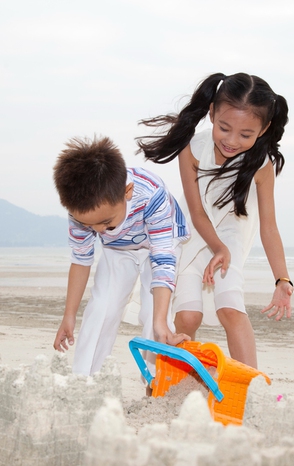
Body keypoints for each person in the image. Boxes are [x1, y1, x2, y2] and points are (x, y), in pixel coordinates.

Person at [137, 72, 294, 369]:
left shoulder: (261, 166)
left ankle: (250, 384)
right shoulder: (192, 149)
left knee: (230, 308)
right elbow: (196, 213)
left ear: (263, 130)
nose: (232, 141)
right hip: (192, 238)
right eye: (224, 128)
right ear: (211, 113)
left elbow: (269, 227)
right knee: (188, 317)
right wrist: (216, 247)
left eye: (245, 134)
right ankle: (173, 379)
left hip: (231, 241)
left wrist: (282, 279)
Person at [52, 135, 190, 376]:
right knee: (101, 307)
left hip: (159, 243)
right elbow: (81, 260)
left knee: (155, 315)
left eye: (105, 221)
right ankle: (84, 381)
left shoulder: (151, 194)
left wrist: (159, 321)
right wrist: (69, 315)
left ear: (127, 192)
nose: (97, 230)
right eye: (89, 224)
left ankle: (156, 383)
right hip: (117, 247)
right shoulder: (82, 208)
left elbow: (162, 260)